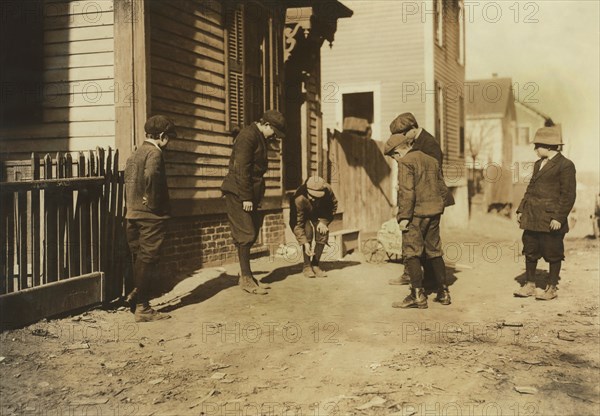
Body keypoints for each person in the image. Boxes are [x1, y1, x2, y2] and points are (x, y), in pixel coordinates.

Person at [221, 110, 286, 294]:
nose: (275, 137)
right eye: (274, 132)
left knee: (251, 232)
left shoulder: (259, 137)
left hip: (251, 191)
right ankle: (246, 279)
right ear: (266, 125)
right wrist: (246, 197)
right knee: (246, 234)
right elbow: (241, 169)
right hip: (238, 192)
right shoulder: (247, 136)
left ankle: (246, 276)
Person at [387, 112, 454, 289]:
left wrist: (405, 214)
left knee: (418, 246)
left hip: (422, 203)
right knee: (428, 246)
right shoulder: (415, 144)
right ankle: (436, 287)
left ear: (412, 129)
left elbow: (432, 177)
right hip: (428, 204)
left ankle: (422, 285)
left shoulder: (429, 144)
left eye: (401, 135)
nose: (399, 139)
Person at [514, 126, 576, 300]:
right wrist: (521, 209)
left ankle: (551, 287)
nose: (535, 149)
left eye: (537, 146)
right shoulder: (538, 164)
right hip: (532, 216)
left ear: (549, 146)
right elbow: (530, 188)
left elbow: (568, 194)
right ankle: (530, 285)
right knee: (530, 249)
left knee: (553, 252)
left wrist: (559, 217)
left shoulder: (566, 165)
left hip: (551, 218)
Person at [124, 115, 176, 322]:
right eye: (169, 137)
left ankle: (137, 297)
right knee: (148, 258)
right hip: (150, 217)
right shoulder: (155, 153)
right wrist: (153, 203)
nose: (169, 142)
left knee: (139, 258)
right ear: (162, 136)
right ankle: (143, 308)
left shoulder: (135, 154)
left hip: (132, 214)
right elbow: (152, 176)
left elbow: (128, 180)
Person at [290, 176, 338, 278]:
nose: (314, 198)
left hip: (320, 212)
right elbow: (297, 224)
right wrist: (304, 242)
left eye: (317, 196)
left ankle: (315, 264)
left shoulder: (327, 190)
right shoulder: (299, 198)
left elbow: (333, 206)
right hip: (304, 213)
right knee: (308, 233)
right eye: (311, 195)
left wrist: (324, 222)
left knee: (322, 232)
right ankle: (307, 266)